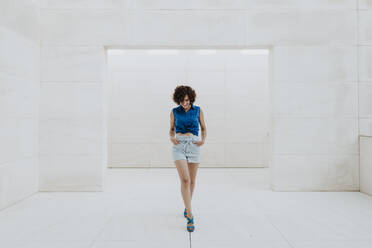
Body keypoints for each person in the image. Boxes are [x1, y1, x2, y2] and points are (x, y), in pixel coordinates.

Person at [169, 85, 207, 232]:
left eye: (186, 100)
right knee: (185, 180)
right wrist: (171, 137)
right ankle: (190, 215)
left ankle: (187, 206)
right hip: (179, 146)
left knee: (192, 181)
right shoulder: (174, 112)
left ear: (190, 98)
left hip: (194, 146)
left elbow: (203, 128)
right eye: (181, 101)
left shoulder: (198, 110)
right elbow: (171, 129)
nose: (184, 103)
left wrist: (203, 140)